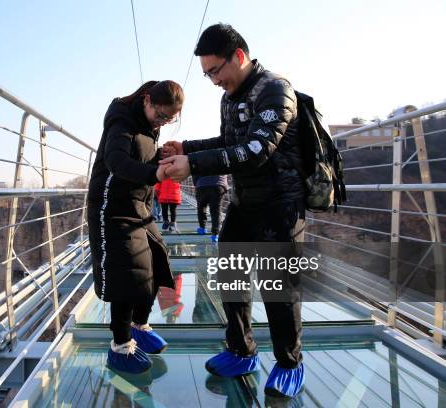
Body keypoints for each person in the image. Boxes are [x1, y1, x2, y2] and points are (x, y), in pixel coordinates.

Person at [159, 24, 306, 397]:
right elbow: (229, 141)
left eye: (215, 71)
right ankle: (242, 351)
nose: (213, 80)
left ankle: (290, 362)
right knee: (231, 275)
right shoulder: (230, 97)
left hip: (280, 205)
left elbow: (256, 150)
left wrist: (193, 165)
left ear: (238, 56)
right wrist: (186, 147)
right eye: (207, 74)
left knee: (278, 288)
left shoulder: (275, 90)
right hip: (245, 202)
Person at [87, 80, 184, 374]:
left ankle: (139, 325)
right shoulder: (121, 121)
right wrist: (155, 171)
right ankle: (120, 346)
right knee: (127, 273)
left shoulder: (149, 126)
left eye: (170, 118)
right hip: (112, 206)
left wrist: (160, 155)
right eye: (161, 115)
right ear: (146, 101)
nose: (164, 122)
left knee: (155, 260)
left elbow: (141, 157)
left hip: (139, 205)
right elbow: (117, 161)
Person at [192, 175, 229, 242]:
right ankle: (215, 234)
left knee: (201, 208)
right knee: (216, 211)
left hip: (202, 184)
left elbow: (195, 173)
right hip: (218, 184)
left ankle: (202, 228)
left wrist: (196, 184)